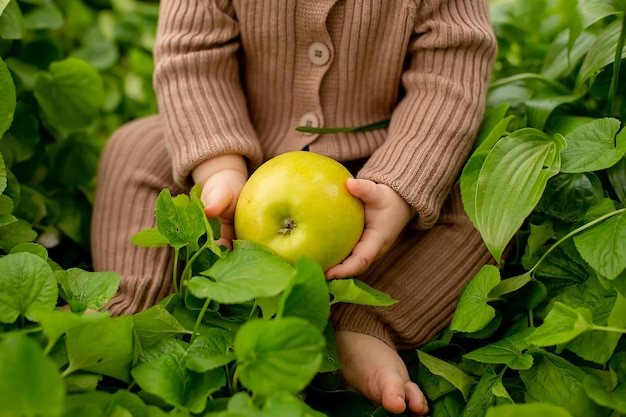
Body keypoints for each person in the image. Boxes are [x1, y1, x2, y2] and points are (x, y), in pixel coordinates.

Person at [91, 1, 497, 415]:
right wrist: (220, 166)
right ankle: (129, 307)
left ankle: (362, 325)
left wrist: (399, 186)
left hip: (376, 169)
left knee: (486, 195)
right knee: (135, 149)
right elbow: (191, 54)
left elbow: (450, 72)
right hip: (244, 149)